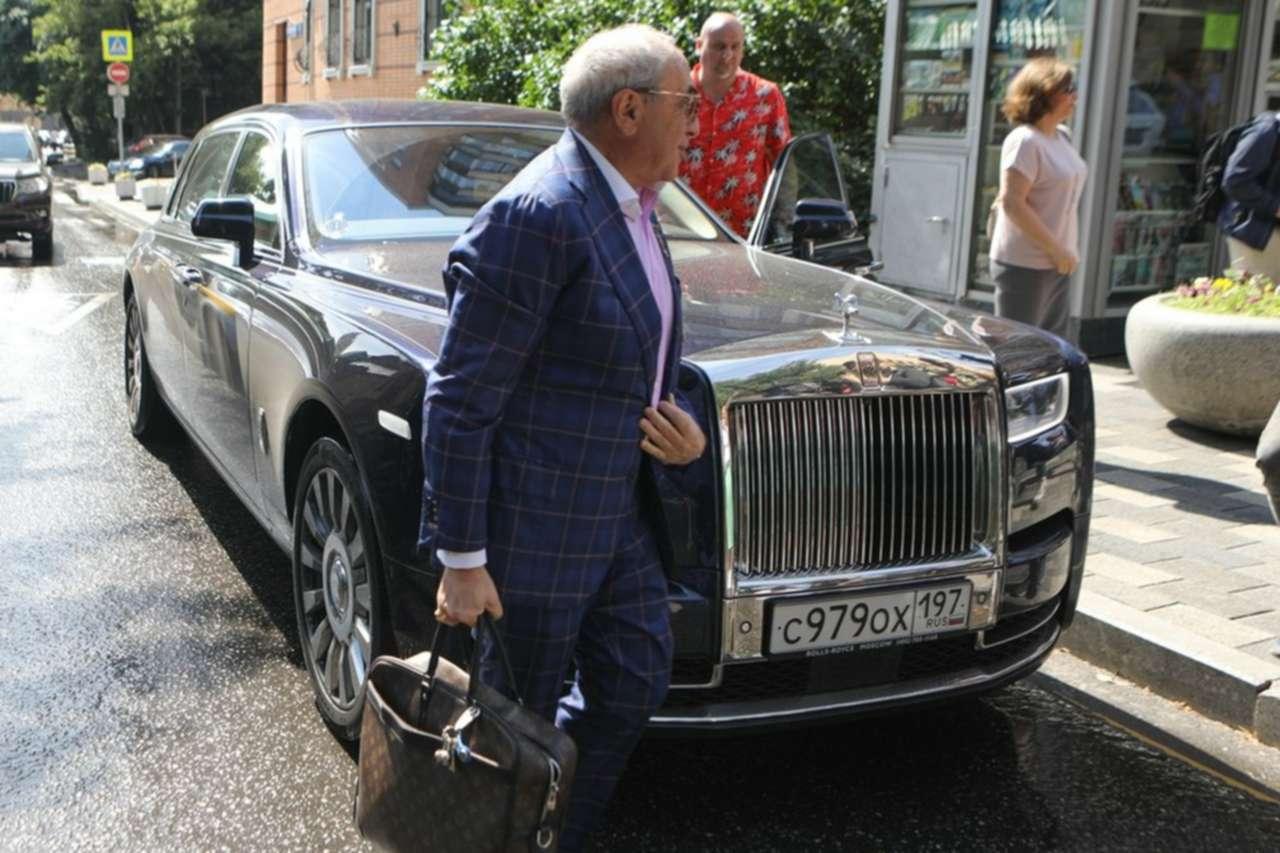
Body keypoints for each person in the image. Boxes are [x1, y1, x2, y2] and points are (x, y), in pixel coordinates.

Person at [418, 24, 706, 851]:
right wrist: (462, 559)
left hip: (617, 515)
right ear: (629, 110)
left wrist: (682, 430)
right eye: (685, 103)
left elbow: (629, 351)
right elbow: (460, 398)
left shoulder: (633, 203)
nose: (697, 121)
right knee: (511, 724)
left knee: (633, 678)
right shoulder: (539, 214)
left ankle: (555, 828)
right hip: (532, 533)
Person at [989, 58, 1087, 338]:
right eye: (1068, 90)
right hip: (1025, 264)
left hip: (1059, 262)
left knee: (1052, 346)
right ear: (1044, 93)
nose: (1075, 96)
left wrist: (1062, 252)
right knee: (1018, 346)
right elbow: (1012, 203)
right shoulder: (1025, 141)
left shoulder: (1062, 136)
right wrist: (1056, 249)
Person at [679, 11, 791, 237]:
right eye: (719, 46)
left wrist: (785, 225)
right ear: (699, 46)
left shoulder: (765, 95)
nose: (727, 55)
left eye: (735, 47)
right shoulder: (677, 92)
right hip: (682, 231)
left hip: (743, 235)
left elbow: (784, 164)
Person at [1218, 111, 1280, 279]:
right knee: (1256, 292)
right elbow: (1234, 181)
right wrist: (1276, 207)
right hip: (1255, 235)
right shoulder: (1265, 132)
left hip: (1269, 232)